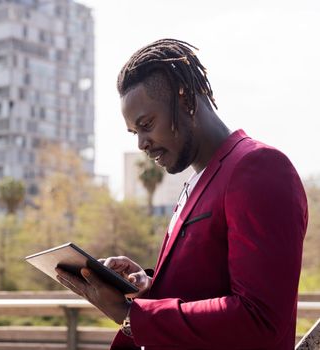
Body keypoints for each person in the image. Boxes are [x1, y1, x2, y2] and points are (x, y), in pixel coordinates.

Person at [55, 39, 308, 349]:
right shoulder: (198, 182)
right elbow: (207, 292)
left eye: (146, 124)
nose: (141, 144)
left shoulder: (258, 167)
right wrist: (149, 288)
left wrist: (132, 314)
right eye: (135, 133)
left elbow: (260, 318)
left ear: (185, 99)